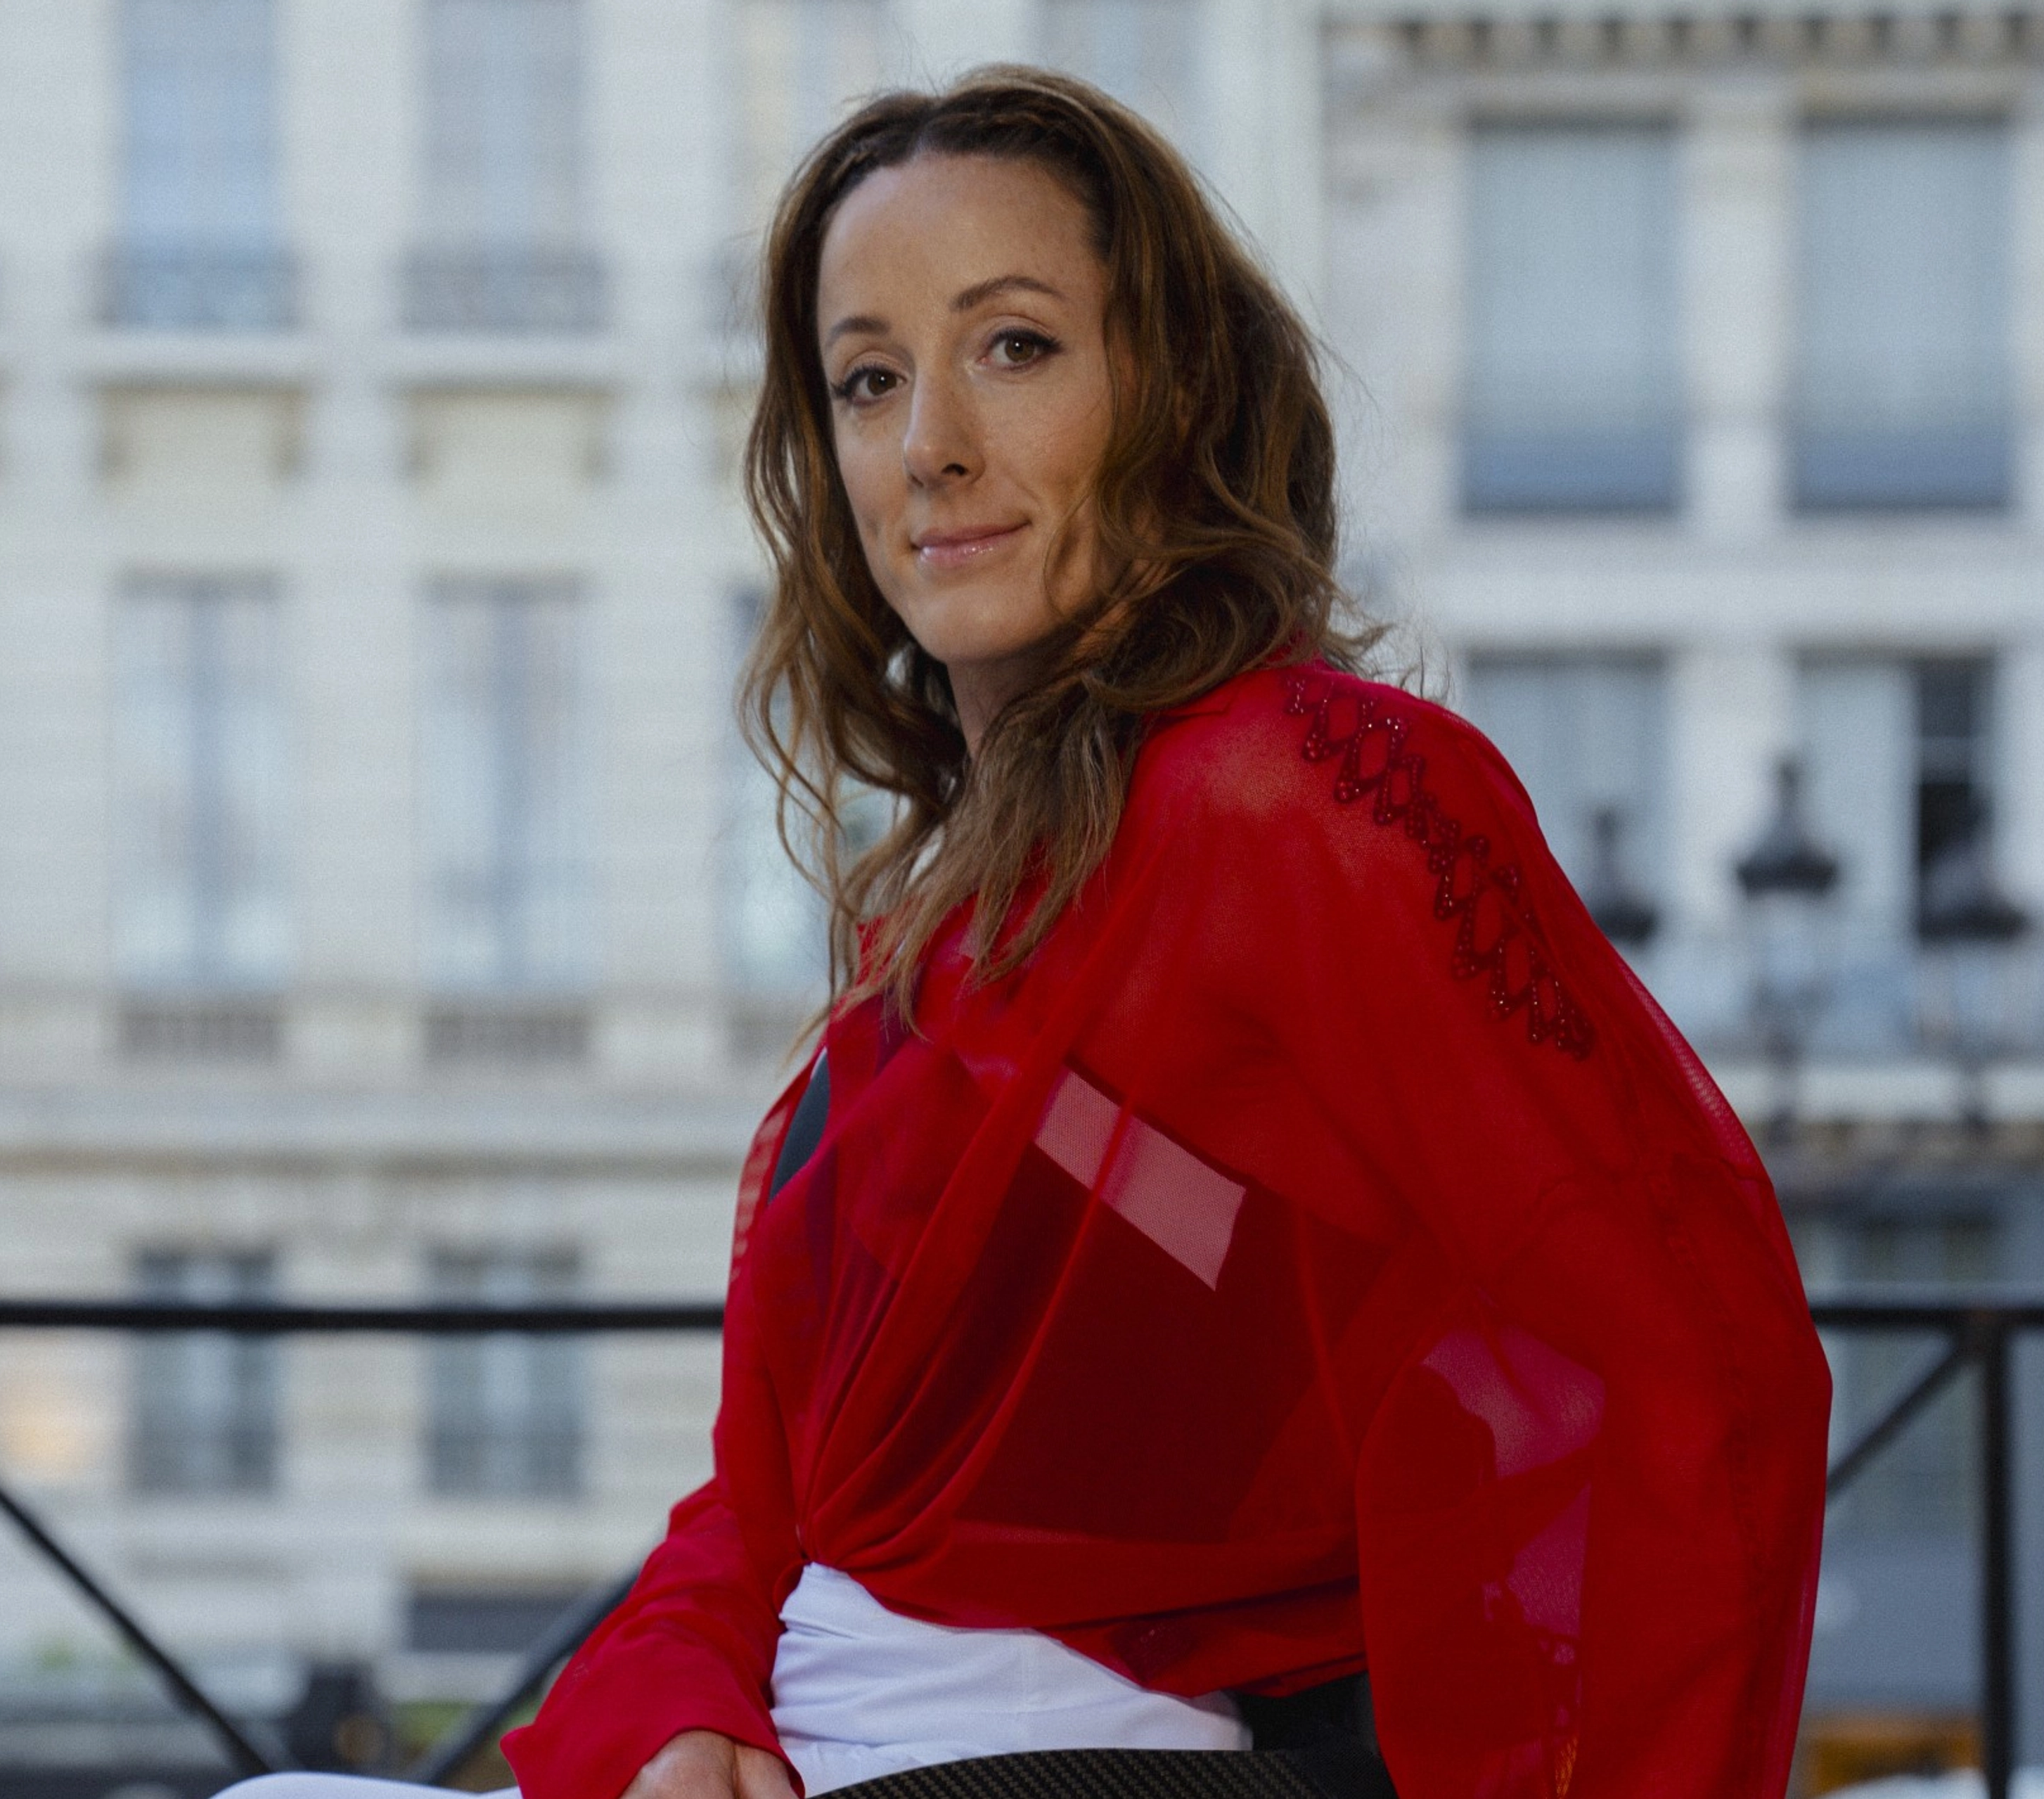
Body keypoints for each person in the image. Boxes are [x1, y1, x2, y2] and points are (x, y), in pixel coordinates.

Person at [222, 65, 1830, 1799]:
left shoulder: (1298, 792)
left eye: (1016, 347)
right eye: (868, 378)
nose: (931, 446)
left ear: (1173, 390)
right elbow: (762, 1500)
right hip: (797, 1740)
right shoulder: (922, 936)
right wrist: (688, 1704)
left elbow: (1692, 1362)